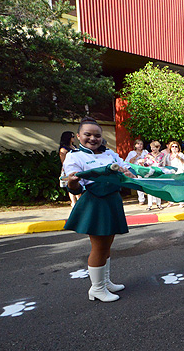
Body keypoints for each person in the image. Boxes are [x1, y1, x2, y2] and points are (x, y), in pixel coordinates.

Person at [63, 117, 135, 302]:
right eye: (87, 134)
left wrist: (128, 171)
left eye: (97, 135)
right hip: (95, 203)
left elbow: (125, 167)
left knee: (107, 245)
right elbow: (75, 187)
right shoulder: (74, 156)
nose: (93, 138)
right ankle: (97, 288)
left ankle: (105, 281)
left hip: (112, 200)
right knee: (99, 246)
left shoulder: (109, 153)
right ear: (79, 136)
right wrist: (72, 183)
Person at [140, 141, 165, 211]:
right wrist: (143, 162)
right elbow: (147, 164)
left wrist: (152, 157)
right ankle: (149, 205)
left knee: (158, 188)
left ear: (158, 147)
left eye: (154, 148)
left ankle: (159, 204)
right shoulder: (149, 154)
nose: (152, 149)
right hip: (150, 173)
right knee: (149, 189)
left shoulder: (162, 155)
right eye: (151, 148)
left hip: (157, 172)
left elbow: (158, 164)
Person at [59, 131, 80, 207]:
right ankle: (73, 202)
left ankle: (79, 200)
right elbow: (63, 161)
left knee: (78, 183)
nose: (74, 138)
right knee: (70, 184)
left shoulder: (74, 147)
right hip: (68, 169)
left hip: (76, 168)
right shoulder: (63, 149)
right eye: (72, 136)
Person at [125, 139, 148, 205]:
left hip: (145, 169)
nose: (140, 145)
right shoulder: (132, 153)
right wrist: (136, 156)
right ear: (135, 145)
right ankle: (141, 199)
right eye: (138, 144)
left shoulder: (145, 152)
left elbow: (149, 159)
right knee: (139, 183)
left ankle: (151, 200)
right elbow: (128, 162)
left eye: (141, 144)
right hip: (136, 170)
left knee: (147, 183)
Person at [164, 141, 184, 207]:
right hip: (171, 172)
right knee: (171, 187)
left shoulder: (180, 154)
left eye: (176, 146)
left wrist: (178, 157)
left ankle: (181, 201)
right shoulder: (168, 155)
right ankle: (171, 201)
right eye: (173, 146)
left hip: (179, 171)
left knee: (179, 187)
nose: (174, 148)